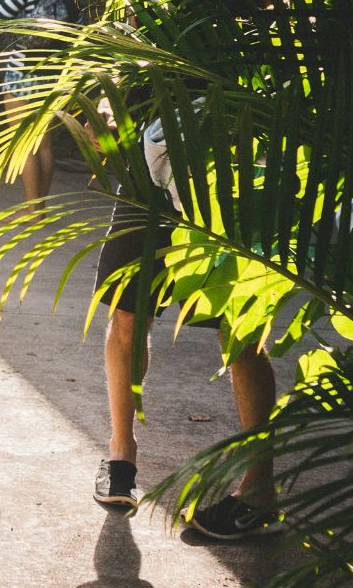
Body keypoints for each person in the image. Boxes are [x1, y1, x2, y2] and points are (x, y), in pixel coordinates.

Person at [91, 91, 281, 540]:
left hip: (226, 174)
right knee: (127, 316)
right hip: (146, 176)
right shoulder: (147, 19)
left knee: (240, 329)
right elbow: (124, 66)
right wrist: (108, 105)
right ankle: (121, 455)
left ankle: (259, 489)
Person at [0, 0, 78, 206]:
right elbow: (79, 30)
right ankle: (40, 206)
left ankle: (31, 210)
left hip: (24, 69)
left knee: (22, 141)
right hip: (54, 72)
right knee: (44, 144)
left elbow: (1, 15)